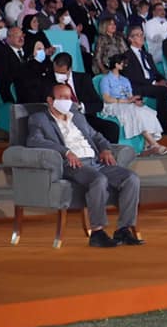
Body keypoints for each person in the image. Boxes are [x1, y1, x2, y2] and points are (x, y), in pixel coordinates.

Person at [27, 84, 142, 247]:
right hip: (73, 164)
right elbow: (34, 141)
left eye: (69, 97)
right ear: (50, 100)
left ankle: (123, 229)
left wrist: (105, 149)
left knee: (131, 178)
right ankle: (97, 232)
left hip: (96, 161)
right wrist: (66, 152)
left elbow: (97, 136)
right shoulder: (39, 118)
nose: (67, 101)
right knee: (99, 180)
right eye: (62, 98)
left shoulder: (77, 116)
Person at [99, 54, 167, 156]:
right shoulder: (106, 79)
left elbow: (130, 96)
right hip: (114, 104)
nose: (124, 65)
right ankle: (154, 144)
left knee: (147, 111)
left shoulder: (125, 80)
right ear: (116, 64)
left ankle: (147, 145)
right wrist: (125, 101)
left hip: (127, 103)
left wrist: (135, 101)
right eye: (122, 63)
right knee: (135, 112)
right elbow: (107, 98)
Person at [46, 53, 120, 143]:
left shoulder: (83, 79)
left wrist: (81, 107)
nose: (58, 75)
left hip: (86, 118)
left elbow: (98, 104)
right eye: (56, 72)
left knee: (112, 128)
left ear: (70, 69)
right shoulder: (49, 81)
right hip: (64, 120)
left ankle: (108, 151)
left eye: (62, 73)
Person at [122, 26, 167, 134]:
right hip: (139, 86)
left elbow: (155, 72)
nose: (142, 37)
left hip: (151, 84)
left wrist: (162, 80)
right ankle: (163, 125)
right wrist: (154, 83)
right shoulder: (126, 56)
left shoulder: (147, 55)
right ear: (130, 39)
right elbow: (133, 77)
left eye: (142, 34)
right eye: (138, 35)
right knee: (163, 91)